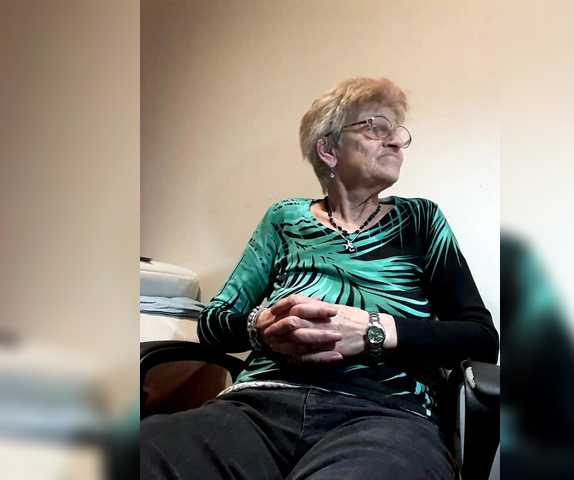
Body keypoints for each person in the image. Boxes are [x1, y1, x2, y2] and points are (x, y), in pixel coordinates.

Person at [141, 77, 499, 479]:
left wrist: (374, 329)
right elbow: (212, 322)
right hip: (258, 407)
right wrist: (261, 327)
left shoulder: (420, 220)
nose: (396, 141)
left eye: (397, 131)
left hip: (385, 415)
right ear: (328, 149)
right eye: (375, 127)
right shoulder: (285, 218)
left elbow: (481, 339)